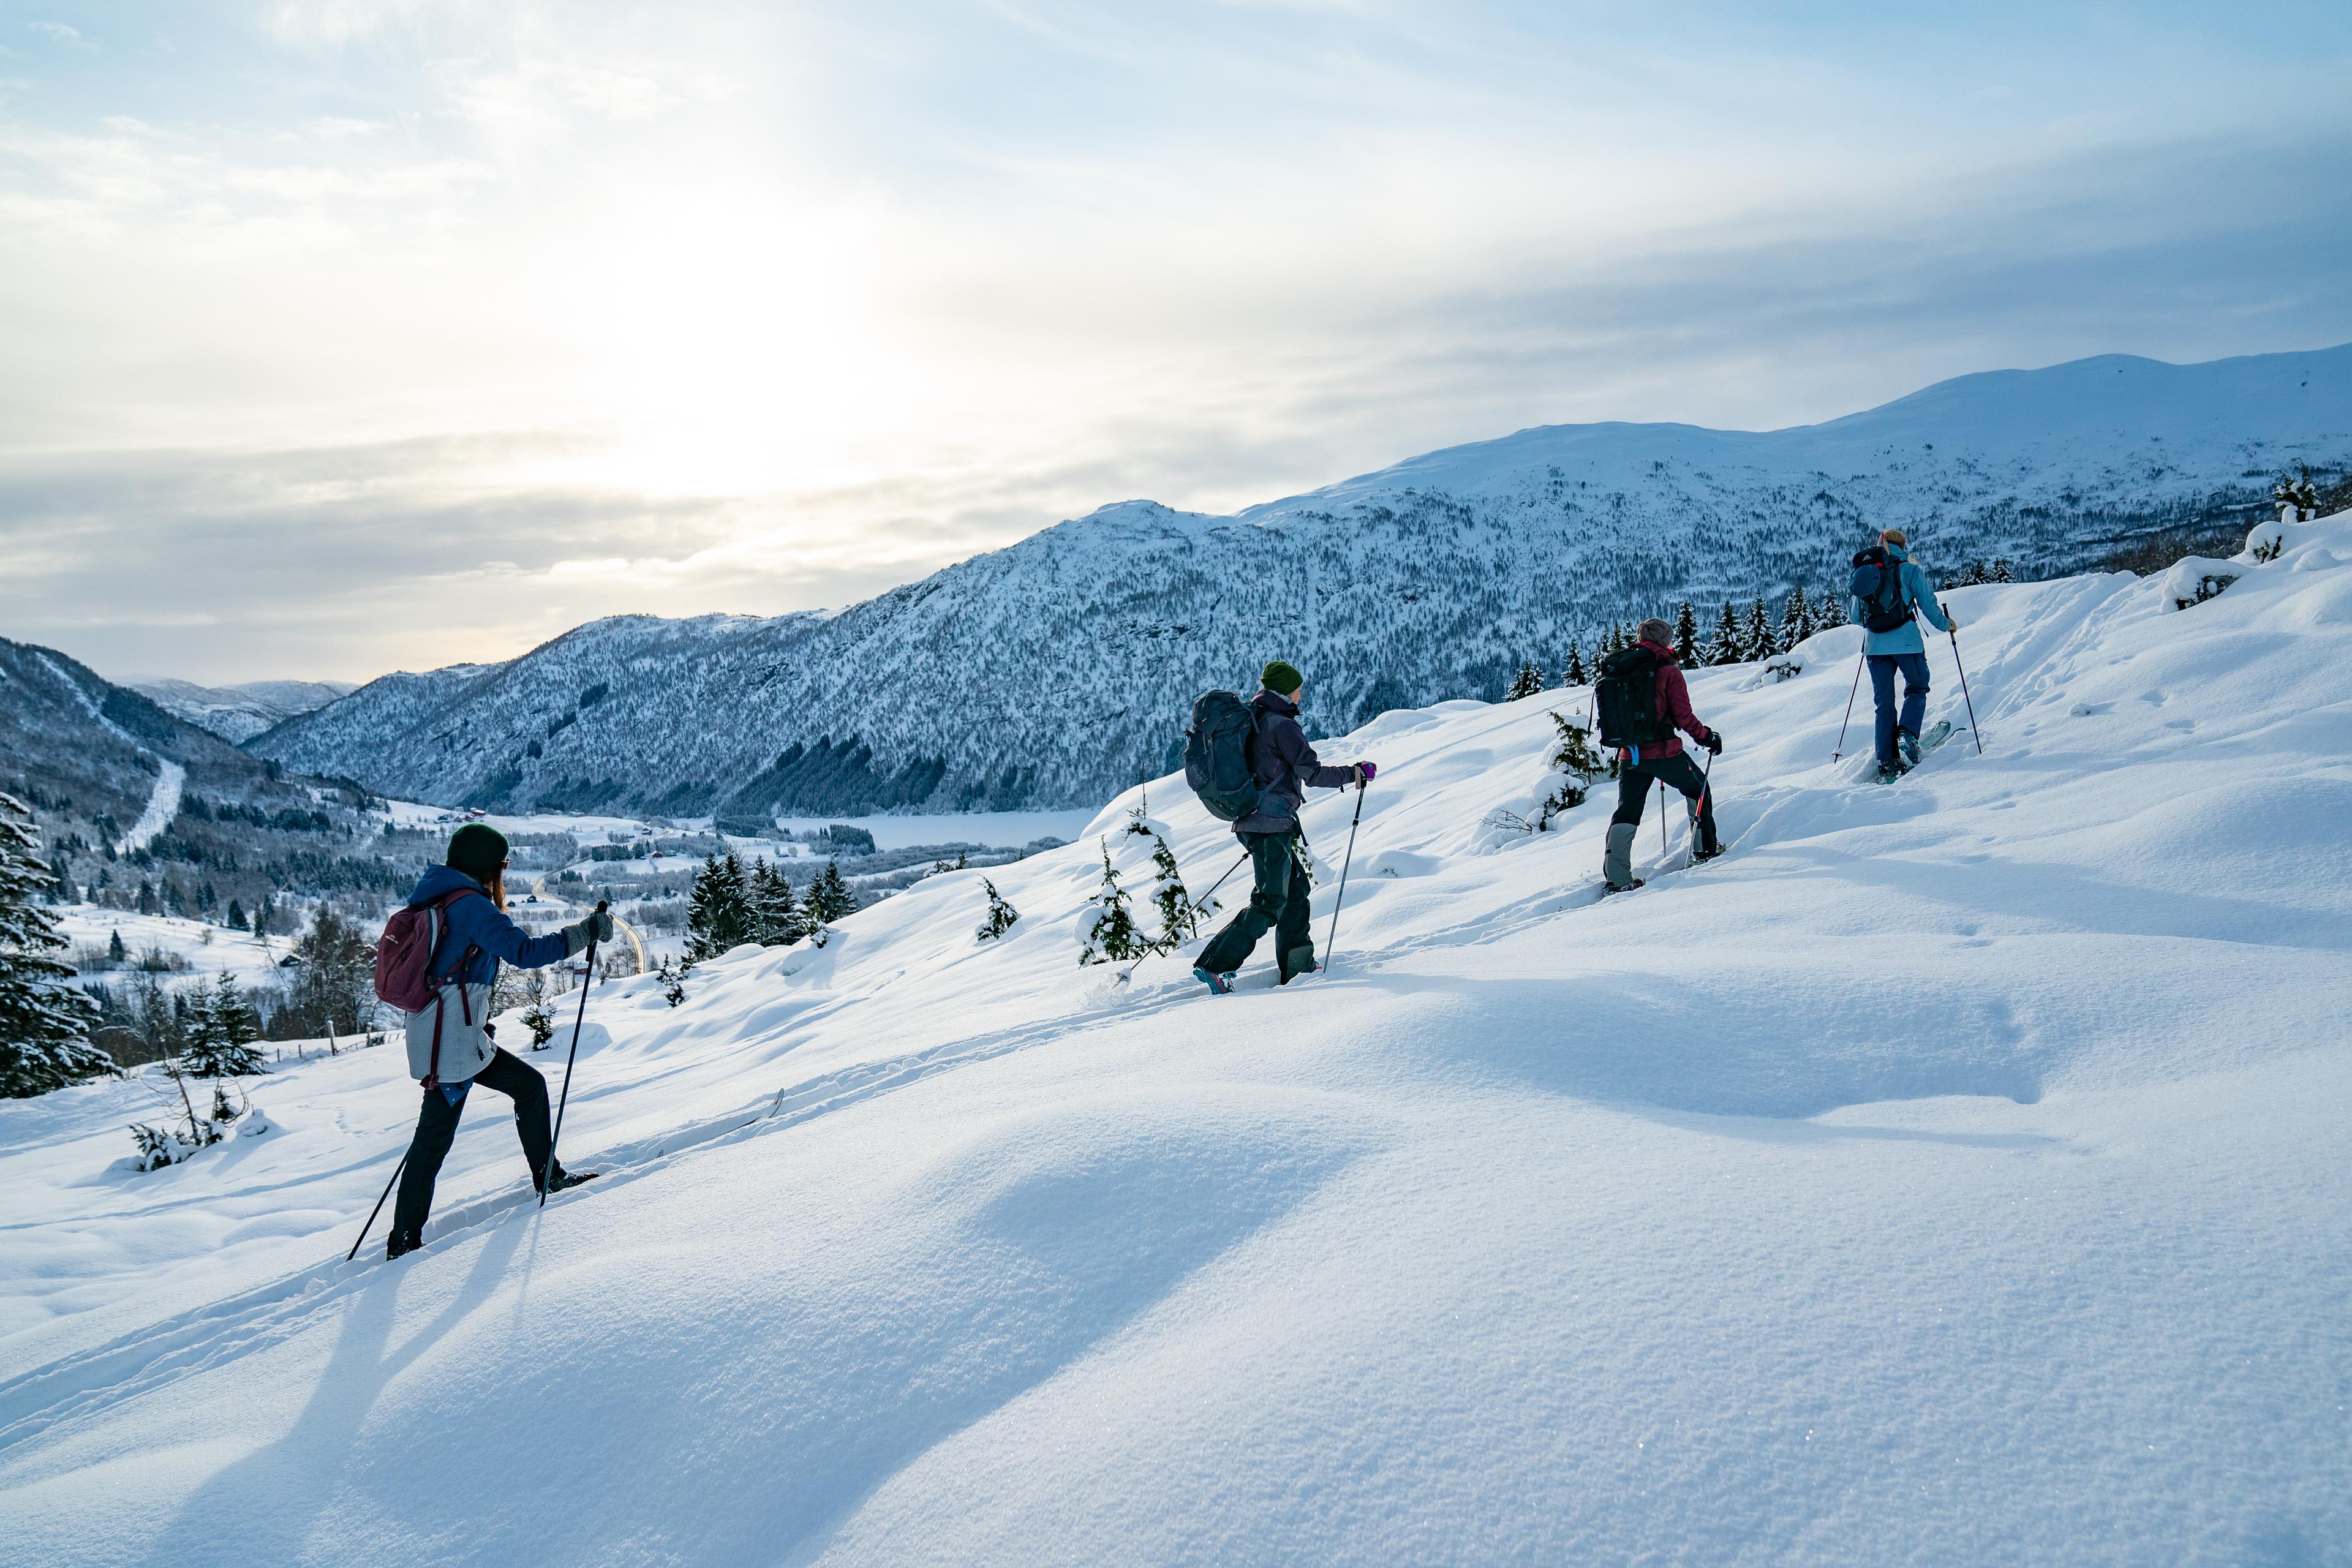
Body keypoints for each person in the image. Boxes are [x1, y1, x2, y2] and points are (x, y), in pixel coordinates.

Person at [386, 823, 613, 1260]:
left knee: (526, 1088)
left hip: (443, 1033)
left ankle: (548, 1177)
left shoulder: (438, 897)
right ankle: (402, 1245)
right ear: (486, 866)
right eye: (502, 865)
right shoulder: (471, 906)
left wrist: (475, 1022)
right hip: (450, 1043)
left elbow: (456, 972)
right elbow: (525, 953)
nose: (503, 873)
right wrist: (583, 933)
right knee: (433, 1139)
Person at [1192, 661, 1375, 993]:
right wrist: (1355, 774)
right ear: (1287, 690)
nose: (1301, 695)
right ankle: (1216, 966)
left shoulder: (1255, 717)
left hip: (1255, 819)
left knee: (1294, 891)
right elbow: (1312, 773)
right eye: (1299, 689)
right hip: (1270, 823)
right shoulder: (1281, 725)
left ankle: (1297, 964)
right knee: (1271, 898)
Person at [1602, 617, 1722, 894]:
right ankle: (1704, 852)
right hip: (1663, 750)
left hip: (1629, 754)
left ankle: (1617, 878)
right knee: (1699, 789)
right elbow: (1683, 715)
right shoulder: (1668, 670)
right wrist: (1706, 737)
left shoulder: (1623, 668)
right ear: (1664, 640)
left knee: (1627, 811)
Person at [1848, 527, 1957, 782]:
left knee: (1884, 704)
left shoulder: (1866, 574)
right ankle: (1908, 734)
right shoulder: (1910, 570)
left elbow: (1855, 617)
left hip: (1875, 648)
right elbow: (1927, 604)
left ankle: (1886, 761)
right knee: (1917, 687)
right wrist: (1946, 624)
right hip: (1907, 644)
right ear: (1903, 545)